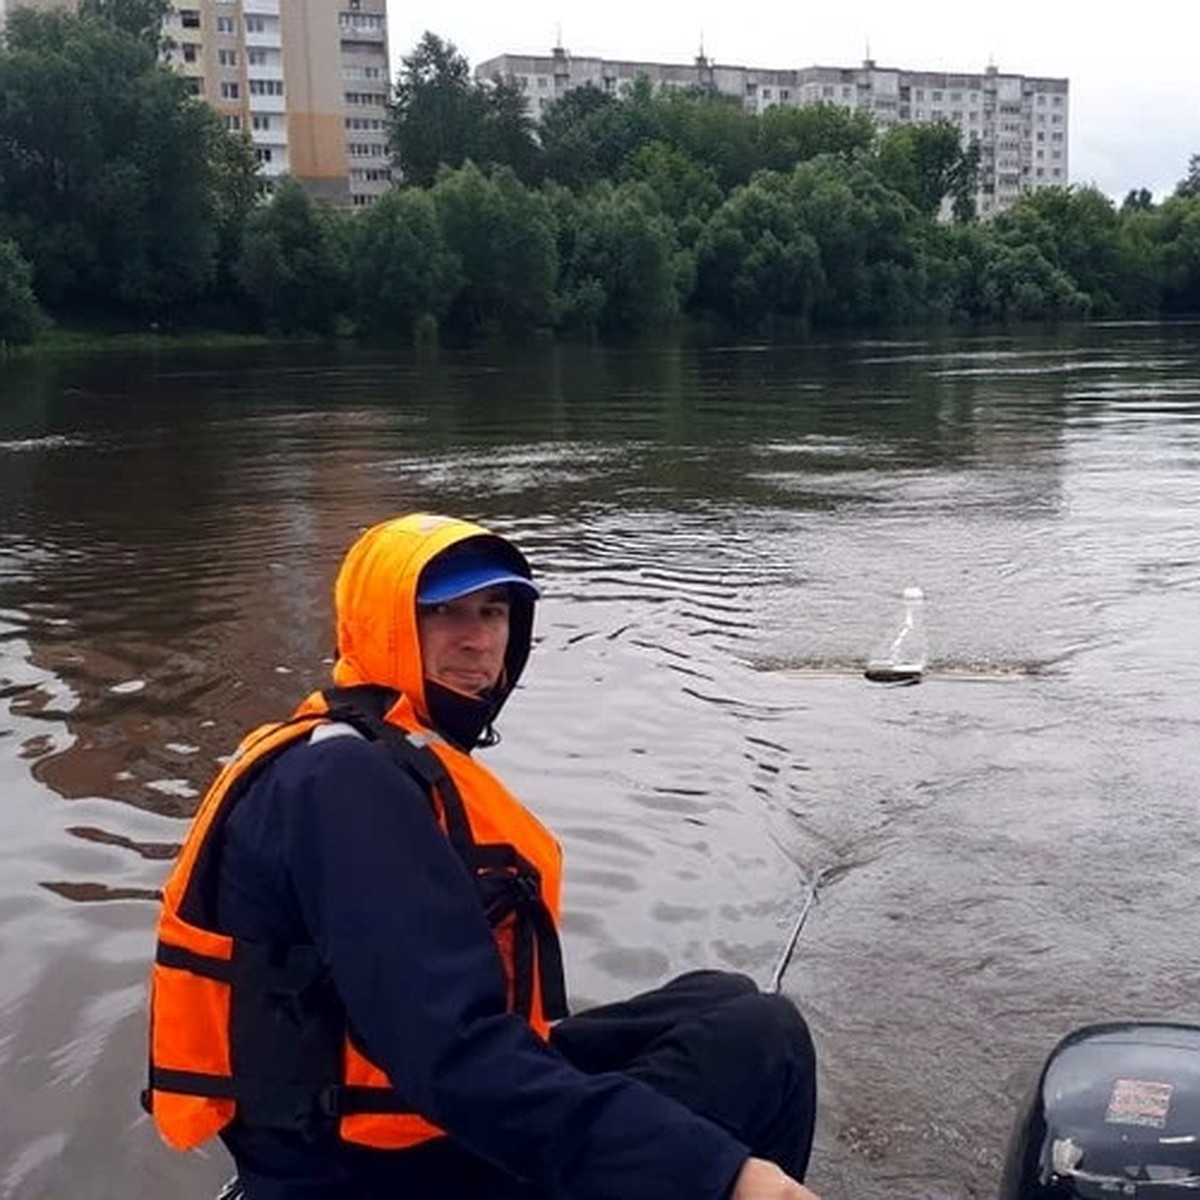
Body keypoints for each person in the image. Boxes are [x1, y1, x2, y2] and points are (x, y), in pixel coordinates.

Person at [143, 513, 820, 1200]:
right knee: (767, 1040)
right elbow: (452, 1055)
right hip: (365, 1175)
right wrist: (724, 1174)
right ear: (384, 628)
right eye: (442, 614)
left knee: (720, 1000)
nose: (477, 641)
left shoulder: (370, 748)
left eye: (493, 612)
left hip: (397, 1125)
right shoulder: (343, 785)